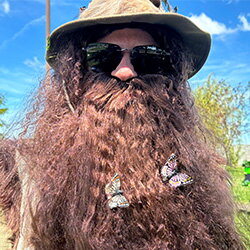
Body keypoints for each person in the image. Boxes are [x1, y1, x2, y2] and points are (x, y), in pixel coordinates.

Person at [0, 0, 244, 249]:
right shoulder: (39, 172)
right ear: (77, 76)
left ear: (170, 79)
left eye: (148, 58)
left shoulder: (199, 171)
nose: (125, 72)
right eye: (102, 56)